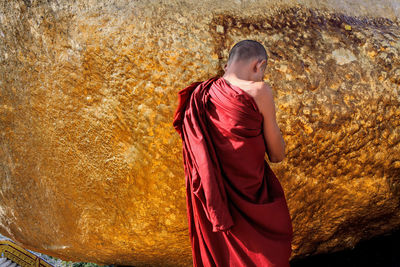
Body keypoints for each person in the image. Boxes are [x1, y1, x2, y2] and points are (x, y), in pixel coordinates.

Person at [173, 40, 293, 267]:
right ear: (259, 65)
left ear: (227, 66)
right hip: (252, 196)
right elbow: (277, 154)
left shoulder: (200, 96)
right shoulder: (259, 90)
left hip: (217, 201)